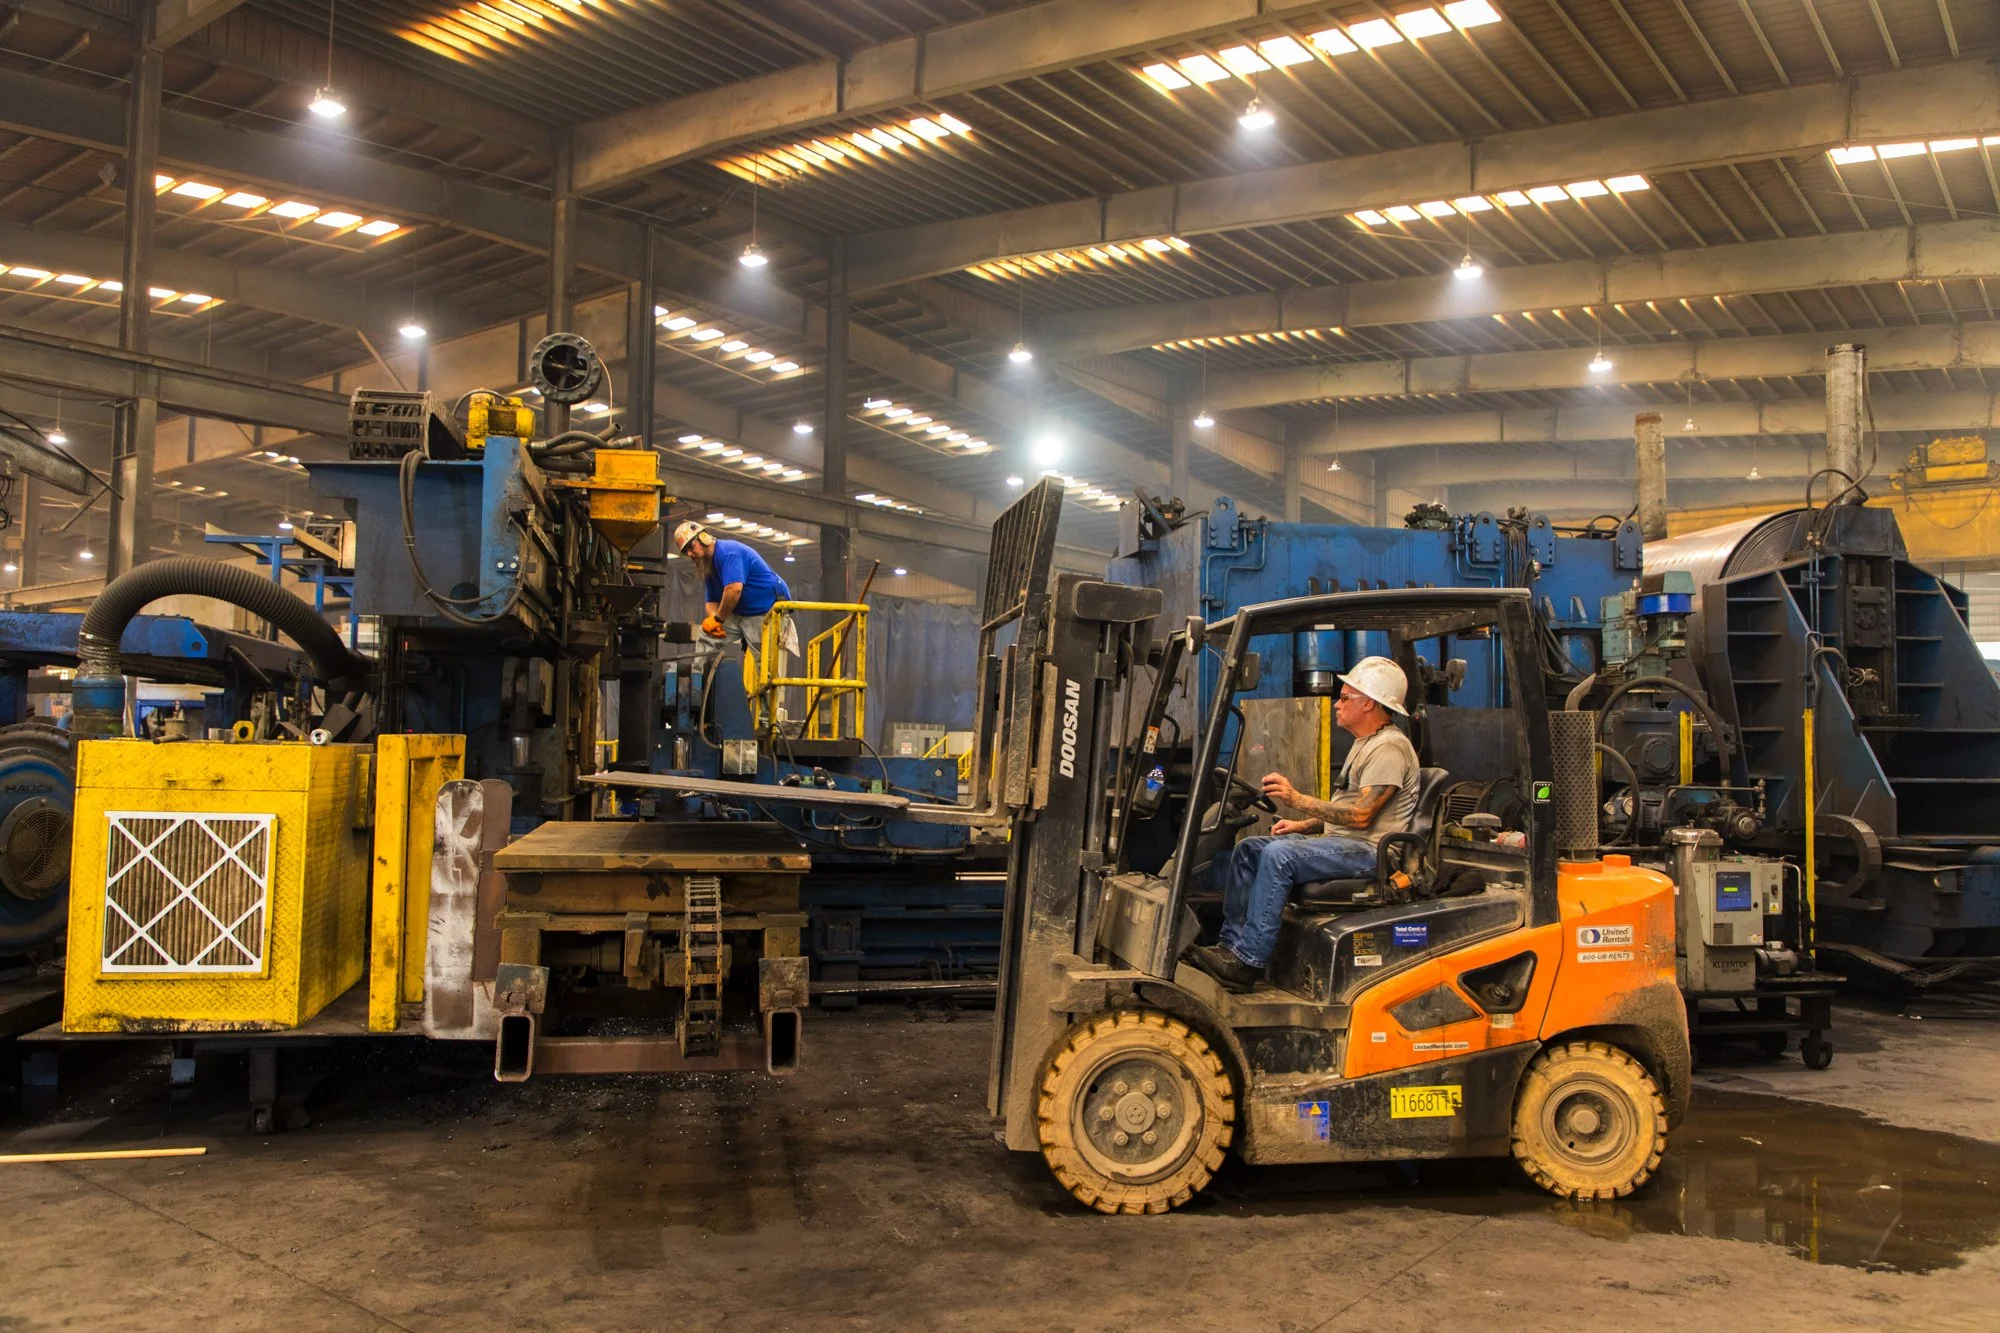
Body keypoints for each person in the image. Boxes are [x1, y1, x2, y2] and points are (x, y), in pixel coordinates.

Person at [1186, 656, 1421, 992]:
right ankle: (1230, 947)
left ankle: (1248, 962)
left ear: (1368, 703)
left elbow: (1362, 816)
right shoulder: (1365, 744)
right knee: (1250, 849)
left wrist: (1296, 799)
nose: (1337, 705)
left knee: (1279, 856)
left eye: (1344, 698)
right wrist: (1302, 825)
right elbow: (1345, 811)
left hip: (1372, 853)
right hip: (1350, 845)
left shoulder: (1389, 748)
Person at [673, 520, 799, 692]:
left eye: (690, 547)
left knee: (766, 666)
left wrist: (719, 619)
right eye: (685, 551)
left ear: (703, 537)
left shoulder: (729, 553)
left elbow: (734, 590)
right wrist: (714, 622)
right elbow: (711, 603)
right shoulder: (708, 566)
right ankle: (697, 693)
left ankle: (768, 717)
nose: (689, 554)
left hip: (765, 610)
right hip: (740, 613)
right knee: (706, 634)